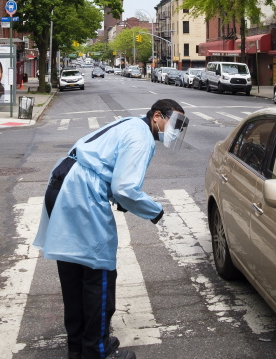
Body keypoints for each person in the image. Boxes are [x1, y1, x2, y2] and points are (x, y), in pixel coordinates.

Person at [34, 99, 189, 359]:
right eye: (174, 124)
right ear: (157, 116)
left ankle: (79, 348)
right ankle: (97, 351)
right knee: (99, 274)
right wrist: (155, 211)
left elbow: (108, 170)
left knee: (73, 274)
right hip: (81, 194)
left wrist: (117, 197)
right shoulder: (142, 138)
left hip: (61, 184)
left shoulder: (129, 123)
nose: (175, 131)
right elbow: (125, 188)